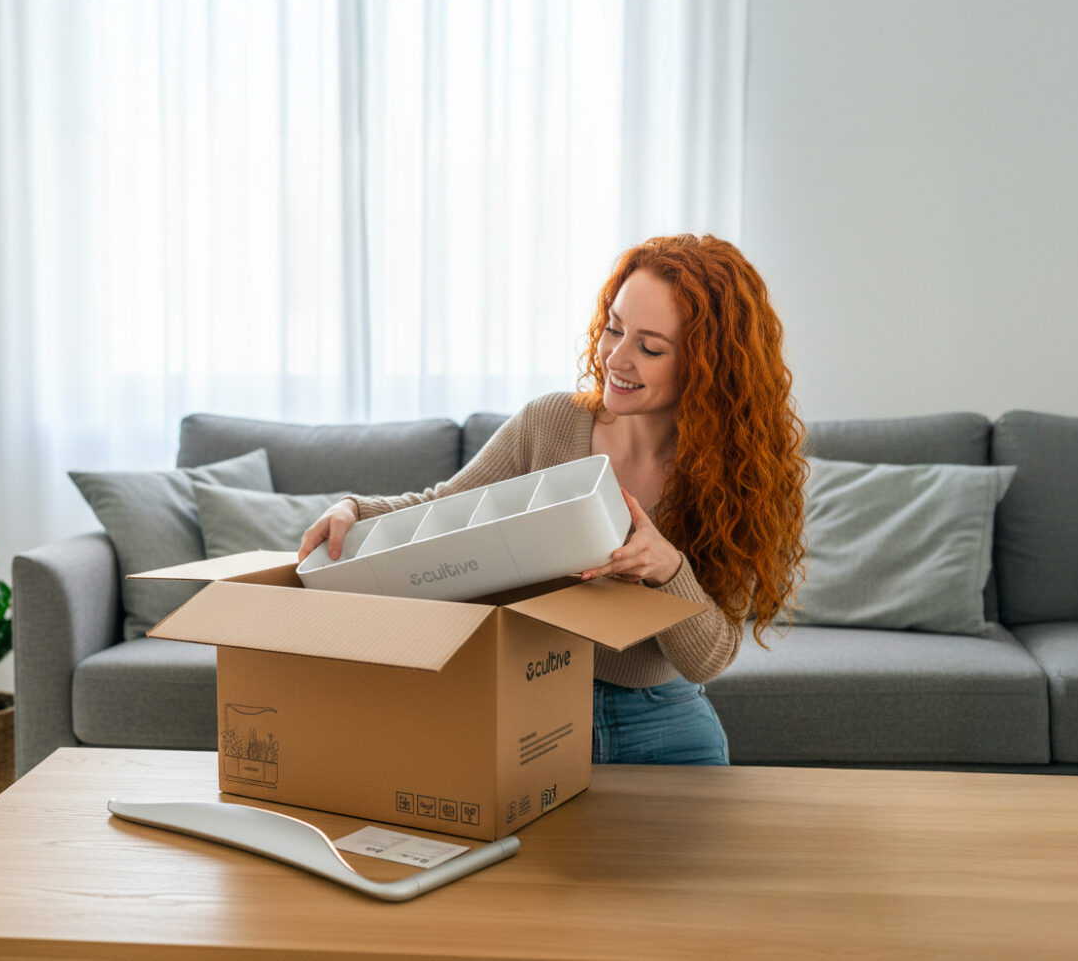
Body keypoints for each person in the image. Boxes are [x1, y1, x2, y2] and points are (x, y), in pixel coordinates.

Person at [296, 233, 806, 765]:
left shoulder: (740, 478)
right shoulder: (550, 424)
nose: (616, 357)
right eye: (614, 329)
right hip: (536, 710)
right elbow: (444, 507)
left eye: (650, 347)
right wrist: (353, 510)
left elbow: (711, 657)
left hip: (663, 721)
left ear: (707, 364)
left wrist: (669, 568)